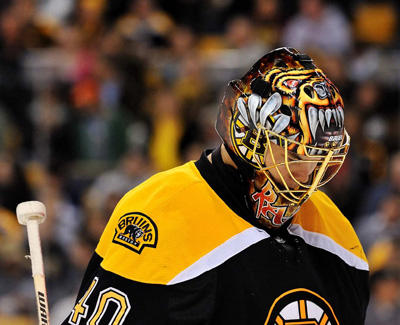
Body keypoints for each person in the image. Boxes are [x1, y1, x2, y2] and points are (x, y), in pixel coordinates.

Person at [62, 47, 369, 324]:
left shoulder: (338, 239)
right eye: (294, 153)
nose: (308, 175)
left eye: (320, 158)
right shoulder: (160, 213)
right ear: (250, 137)